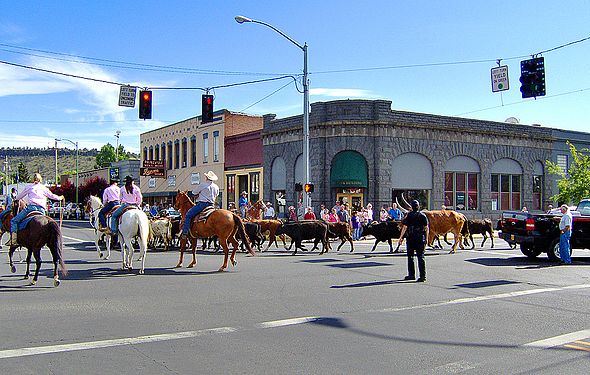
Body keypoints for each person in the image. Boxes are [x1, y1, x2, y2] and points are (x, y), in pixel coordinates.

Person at [5, 173, 64, 246]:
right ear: (40, 179)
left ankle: (13, 240)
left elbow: (19, 197)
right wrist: (60, 198)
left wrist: (15, 199)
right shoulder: (44, 188)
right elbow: (52, 196)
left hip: (31, 208)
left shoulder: (29, 187)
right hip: (42, 210)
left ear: (33, 179)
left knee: (14, 220)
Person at [180, 171, 219, 240]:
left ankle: (185, 232)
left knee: (188, 215)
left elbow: (194, 192)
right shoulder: (216, 187)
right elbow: (217, 195)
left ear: (206, 177)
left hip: (202, 204)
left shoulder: (203, 185)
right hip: (212, 205)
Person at [398, 200, 429, 282]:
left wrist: (401, 238)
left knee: (410, 257)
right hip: (420, 238)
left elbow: (404, 227)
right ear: (418, 207)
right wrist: (426, 238)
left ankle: (411, 275)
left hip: (411, 237)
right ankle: (423, 276)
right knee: (421, 257)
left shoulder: (409, 215)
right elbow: (426, 228)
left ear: (411, 207)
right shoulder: (423, 215)